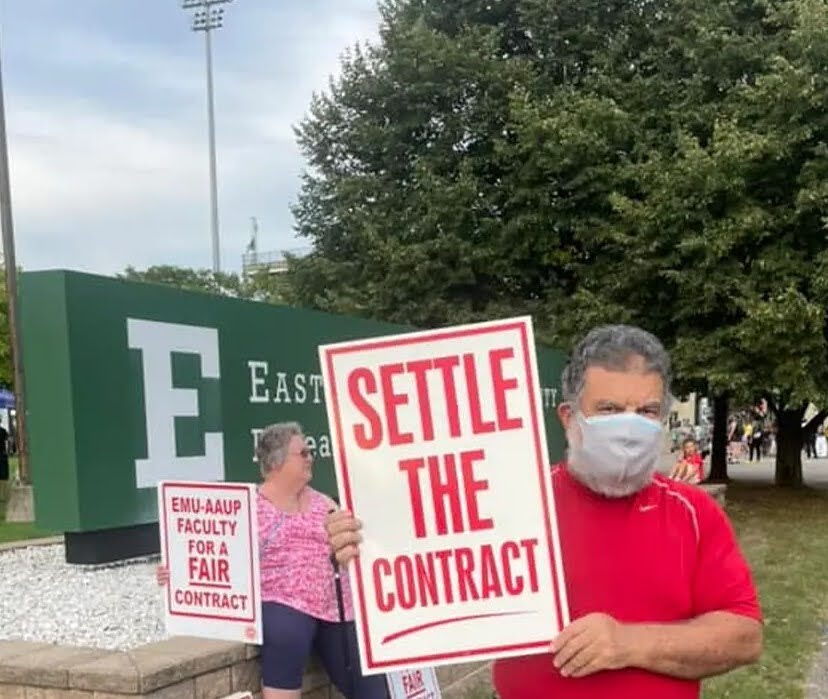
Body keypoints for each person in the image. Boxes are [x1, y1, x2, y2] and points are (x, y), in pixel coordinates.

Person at [326, 325, 763, 699]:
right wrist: (368, 546)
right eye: (609, 409)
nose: (629, 426)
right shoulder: (512, 502)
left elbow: (744, 637)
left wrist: (628, 643)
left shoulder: (693, 512)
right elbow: (427, 582)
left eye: (646, 410)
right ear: (568, 417)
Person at [157, 422, 388, 699]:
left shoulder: (324, 503)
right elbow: (213, 557)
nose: (310, 457)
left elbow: (350, 551)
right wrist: (176, 574)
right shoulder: (247, 509)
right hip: (282, 599)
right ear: (277, 461)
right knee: (286, 633)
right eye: (302, 453)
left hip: (336, 605)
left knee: (369, 677)